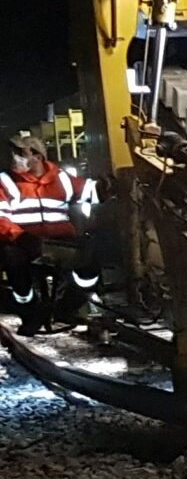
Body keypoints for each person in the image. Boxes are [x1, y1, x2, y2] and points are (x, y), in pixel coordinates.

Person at [0, 133, 102, 333]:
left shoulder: (61, 179)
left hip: (60, 242)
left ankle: (67, 307)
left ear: (38, 157)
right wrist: (20, 236)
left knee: (91, 260)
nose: (15, 157)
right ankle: (30, 313)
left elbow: (89, 190)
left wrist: (105, 187)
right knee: (12, 261)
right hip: (24, 242)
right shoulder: (5, 181)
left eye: (21, 153)